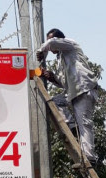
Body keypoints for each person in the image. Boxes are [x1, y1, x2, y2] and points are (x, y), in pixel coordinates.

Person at [36, 28, 98, 164]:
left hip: (84, 89)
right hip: (73, 92)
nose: (51, 49)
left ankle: (89, 158)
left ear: (60, 39)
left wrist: (42, 51)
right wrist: (52, 77)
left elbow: (51, 42)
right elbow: (64, 83)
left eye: (51, 43)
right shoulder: (60, 60)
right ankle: (70, 125)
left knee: (84, 124)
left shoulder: (71, 45)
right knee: (54, 102)